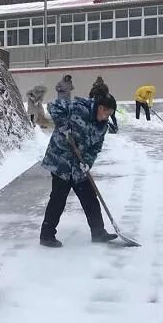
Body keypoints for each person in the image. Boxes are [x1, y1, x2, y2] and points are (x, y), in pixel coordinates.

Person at [39, 94, 119, 247]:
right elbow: (53, 105)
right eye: (107, 114)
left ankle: (98, 232)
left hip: (78, 167)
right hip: (60, 162)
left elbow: (95, 148)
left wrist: (87, 163)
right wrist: (64, 127)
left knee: (90, 198)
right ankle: (46, 235)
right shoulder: (79, 107)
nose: (106, 118)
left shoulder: (102, 127)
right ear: (101, 108)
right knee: (58, 199)